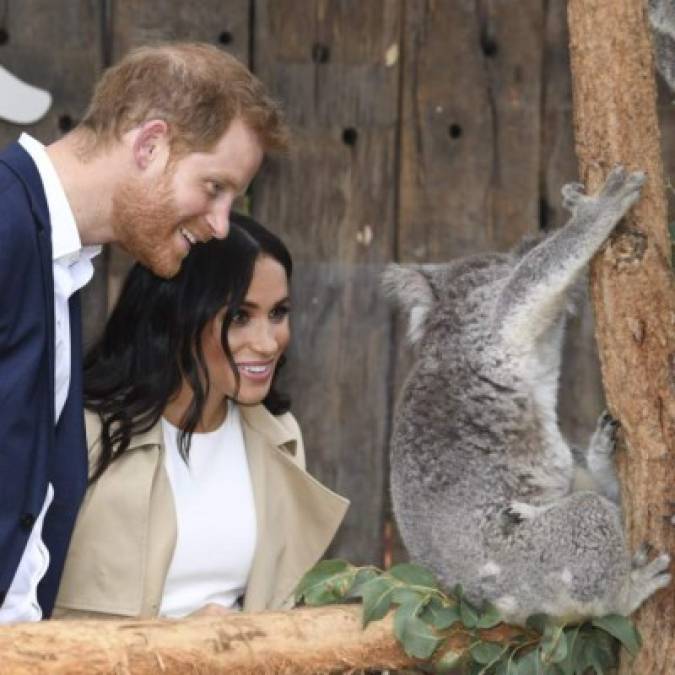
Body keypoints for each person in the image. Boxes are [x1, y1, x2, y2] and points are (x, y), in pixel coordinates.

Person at [0, 42, 288, 621]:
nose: (219, 225)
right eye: (214, 188)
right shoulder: (6, 225)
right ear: (149, 144)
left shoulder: (57, 261)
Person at [53, 213, 349, 619]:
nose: (267, 342)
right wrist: (180, 643)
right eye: (240, 317)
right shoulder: (82, 433)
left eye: (278, 313)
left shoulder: (278, 438)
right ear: (181, 315)